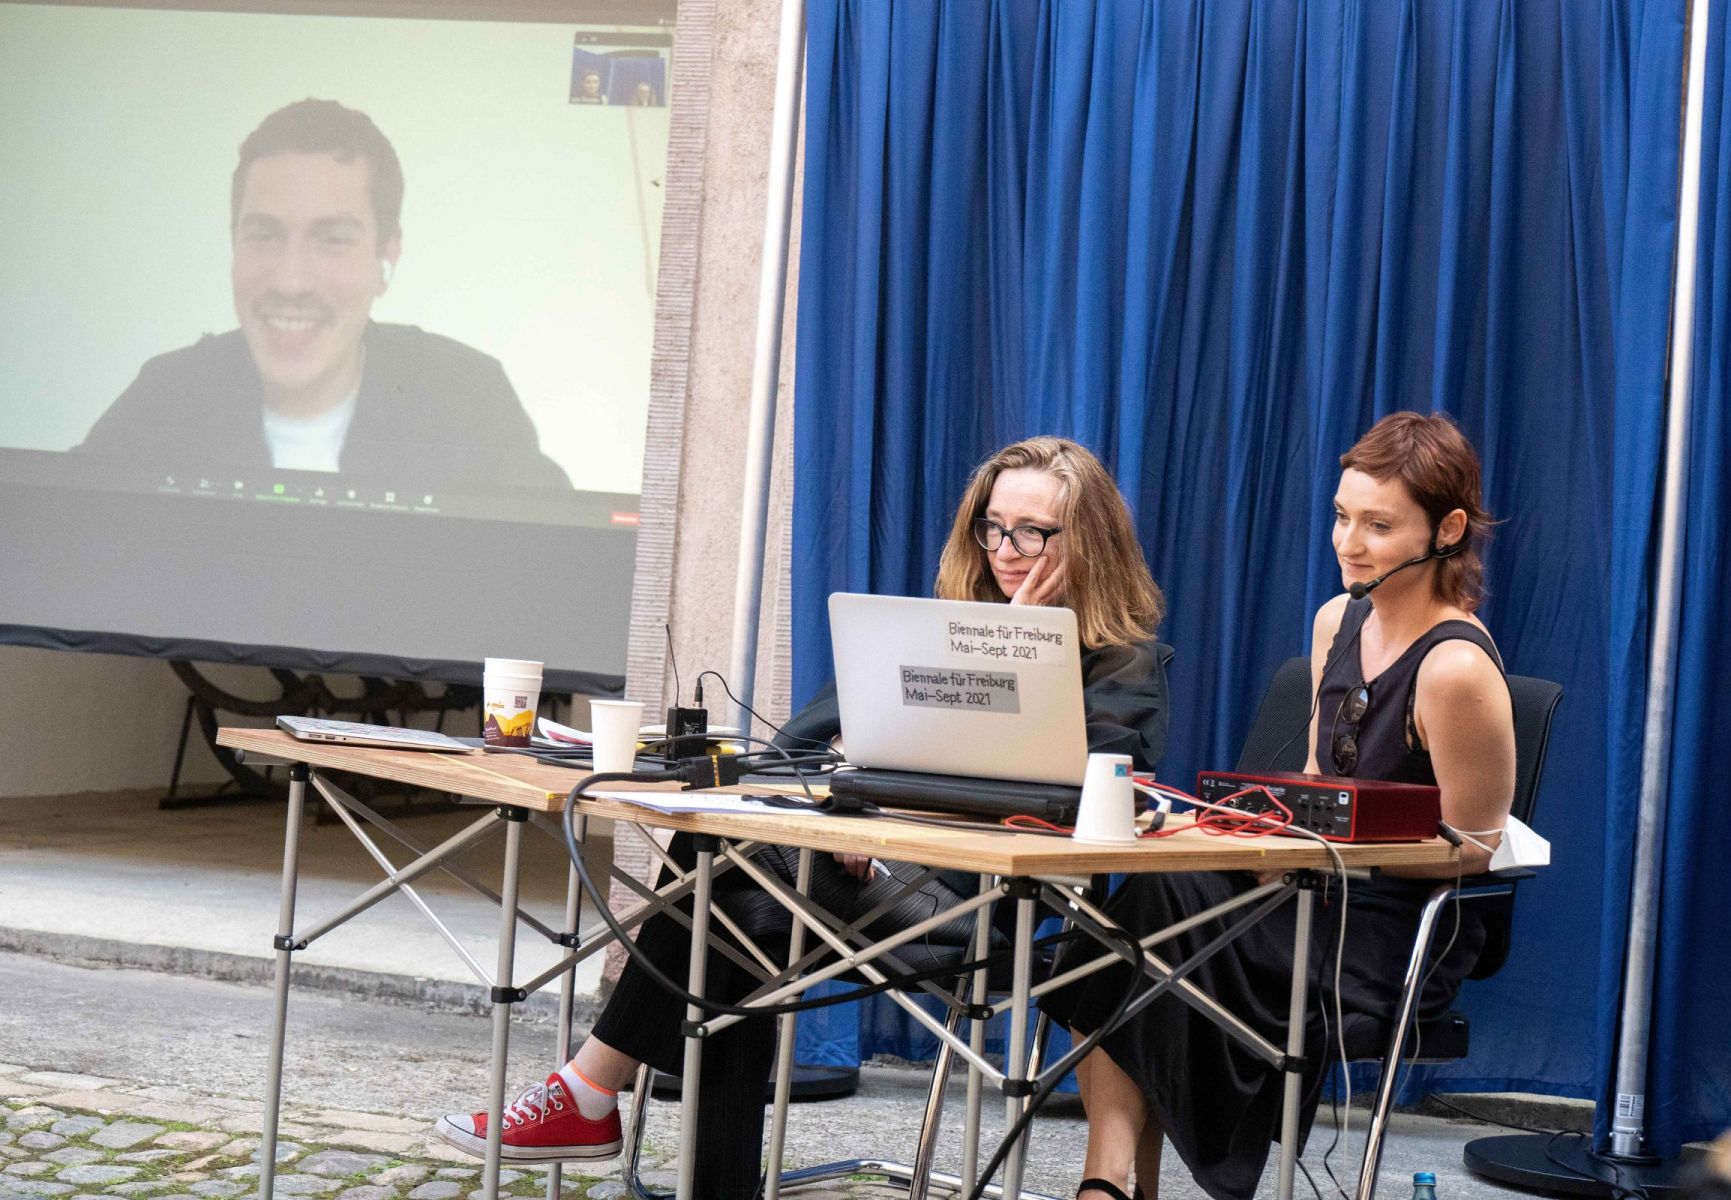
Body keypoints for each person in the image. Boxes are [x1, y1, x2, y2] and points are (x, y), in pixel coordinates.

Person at [436, 436, 1171, 1198]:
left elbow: (1080, 801)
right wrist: (842, 797)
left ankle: (590, 1091)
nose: (1006, 551)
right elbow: (794, 751)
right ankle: (687, 1164)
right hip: (864, 877)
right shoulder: (924, 634)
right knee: (740, 906)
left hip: (986, 910)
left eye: (1032, 533)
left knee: (728, 865)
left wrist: (1014, 645)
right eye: (993, 527)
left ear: (1082, 543)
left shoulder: (1125, 665)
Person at [1041, 411, 1516, 1200]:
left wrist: (1335, 851)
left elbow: (1473, 847)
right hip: (1302, 897)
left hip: (1387, 935)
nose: (1348, 541)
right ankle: (1114, 1179)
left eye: (1378, 525)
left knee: (1158, 926)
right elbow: (1311, 785)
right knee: (1130, 912)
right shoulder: (1340, 620)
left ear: (1448, 529)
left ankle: (1113, 1184)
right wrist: (1249, 839)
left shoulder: (1456, 670)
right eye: (1341, 516)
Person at [77, 99, 570, 488]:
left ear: (386, 258)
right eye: (264, 236)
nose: (291, 282)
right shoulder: (165, 397)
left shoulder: (469, 404)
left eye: (332, 239)